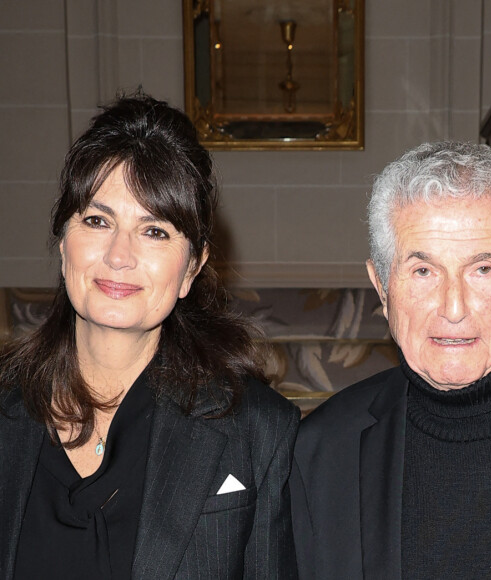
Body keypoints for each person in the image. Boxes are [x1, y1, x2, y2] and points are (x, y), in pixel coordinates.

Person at [0, 94, 300, 579]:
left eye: (155, 231)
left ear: (192, 268)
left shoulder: (258, 431)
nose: (120, 255)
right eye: (98, 221)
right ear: (63, 245)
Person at [290, 141, 491, 579]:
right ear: (381, 288)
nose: (454, 307)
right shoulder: (321, 450)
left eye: (482, 269)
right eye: (423, 271)